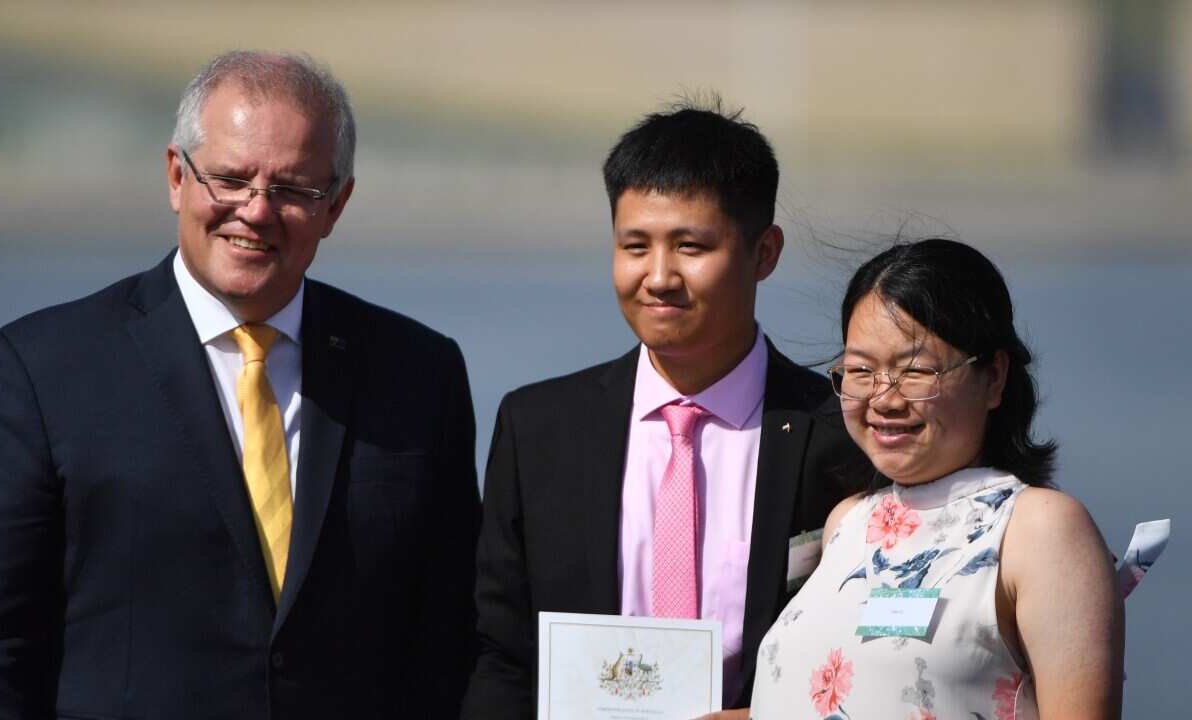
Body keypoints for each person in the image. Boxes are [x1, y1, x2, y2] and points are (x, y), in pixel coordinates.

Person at [0, 51, 480, 719]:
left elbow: (451, 634)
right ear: (175, 176)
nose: (257, 211)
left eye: (294, 190)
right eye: (231, 179)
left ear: (337, 204)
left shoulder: (418, 372)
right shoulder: (45, 369)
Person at [461, 100, 868, 718]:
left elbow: (874, 661)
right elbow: (504, 653)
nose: (658, 277)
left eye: (690, 246)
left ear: (764, 253)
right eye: (634, 245)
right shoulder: (538, 428)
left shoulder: (843, 433)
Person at [741, 238, 1123, 719]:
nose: (885, 398)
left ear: (994, 377)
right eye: (861, 370)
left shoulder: (1040, 527)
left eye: (916, 371)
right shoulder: (848, 523)